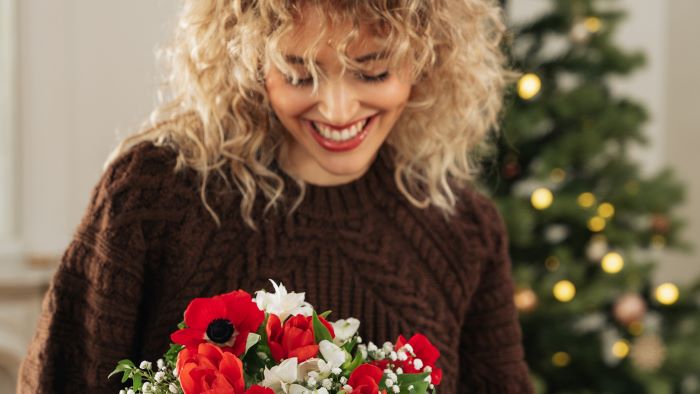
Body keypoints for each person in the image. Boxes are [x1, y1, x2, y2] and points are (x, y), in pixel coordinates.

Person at [17, 0, 534, 393]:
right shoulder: (155, 196)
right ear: (248, 62)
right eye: (298, 73)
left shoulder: (463, 230)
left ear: (426, 62)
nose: (335, 109)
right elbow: (61, 377)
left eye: (372, 71)